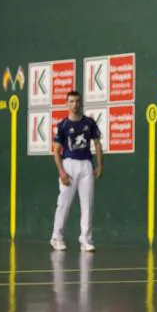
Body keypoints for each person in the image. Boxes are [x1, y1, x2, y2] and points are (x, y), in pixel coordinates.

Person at [50, 91, 103, 252]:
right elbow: (56, 151)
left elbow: (97, 145)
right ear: (67, 104)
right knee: (63, 204)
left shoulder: (89, 123)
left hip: (86, 165)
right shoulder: (62, 126)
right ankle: (56, 237)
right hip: (68, 165)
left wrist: (100, 165)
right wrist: (62, 172)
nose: (75, 104)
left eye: (77, 101)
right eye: (71, 101)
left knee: (87, 204)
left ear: (81, 103)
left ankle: (86, 239)